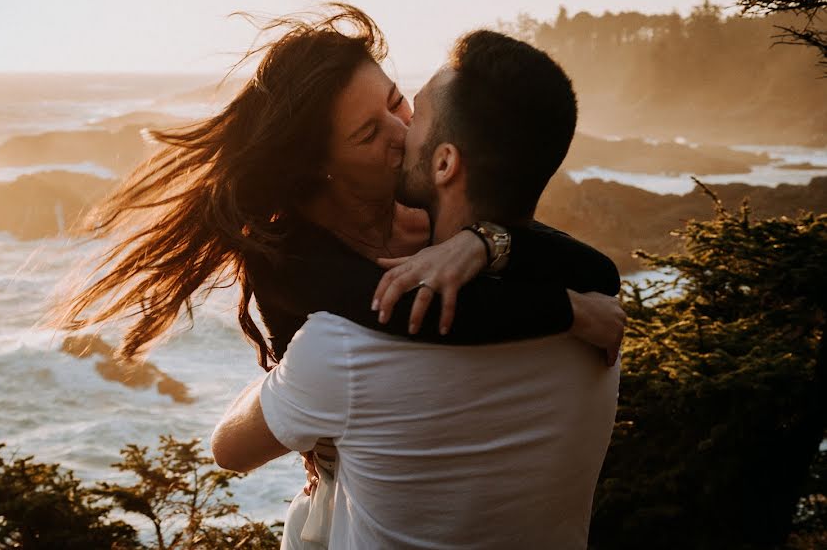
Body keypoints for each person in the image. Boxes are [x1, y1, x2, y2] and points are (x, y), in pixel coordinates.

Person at [211, 29, 622, 549]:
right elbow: (591, 273)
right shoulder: (596, 318)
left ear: (446, 163)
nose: (404, 132)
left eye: (402, 104)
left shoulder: (340, 351)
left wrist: (303, 389)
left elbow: (230, 448)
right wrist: (553, 299)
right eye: (367, 132)